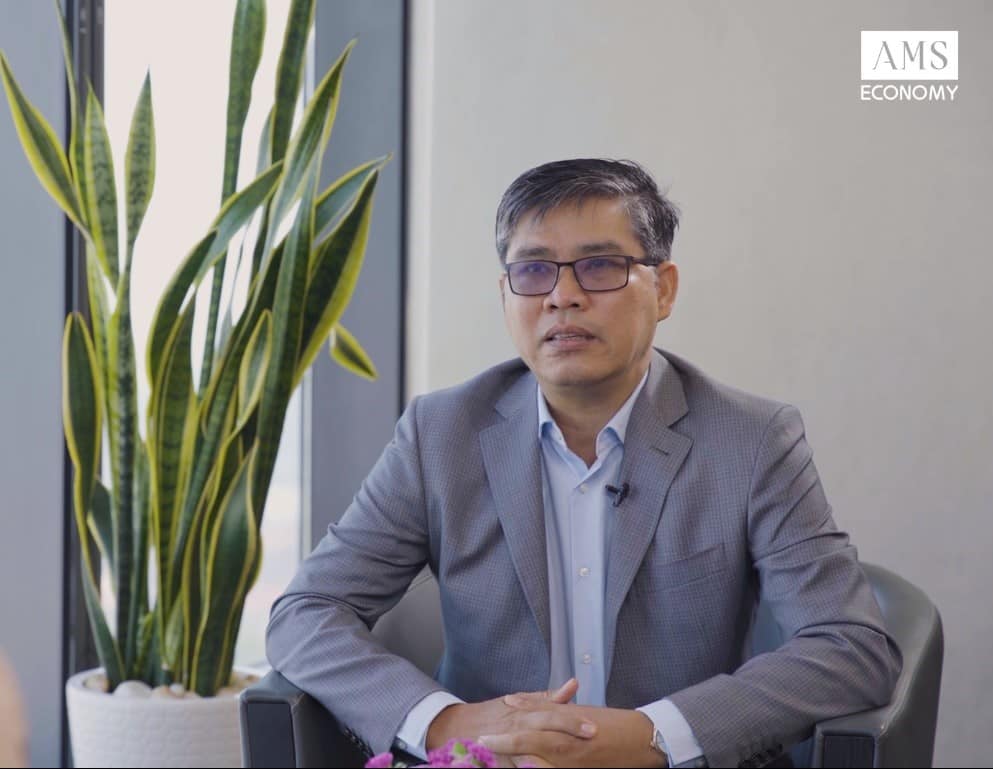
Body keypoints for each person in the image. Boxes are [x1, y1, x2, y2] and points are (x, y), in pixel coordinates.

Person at [267, 158, 901, 768]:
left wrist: (654, 737)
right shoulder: (440, 435)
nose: (562, 296)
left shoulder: (752, 440)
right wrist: (447, 724)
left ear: (664, 289)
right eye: (534, 270)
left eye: (600, 266)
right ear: (506, 293)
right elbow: (306, 612)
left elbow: (849, 646)